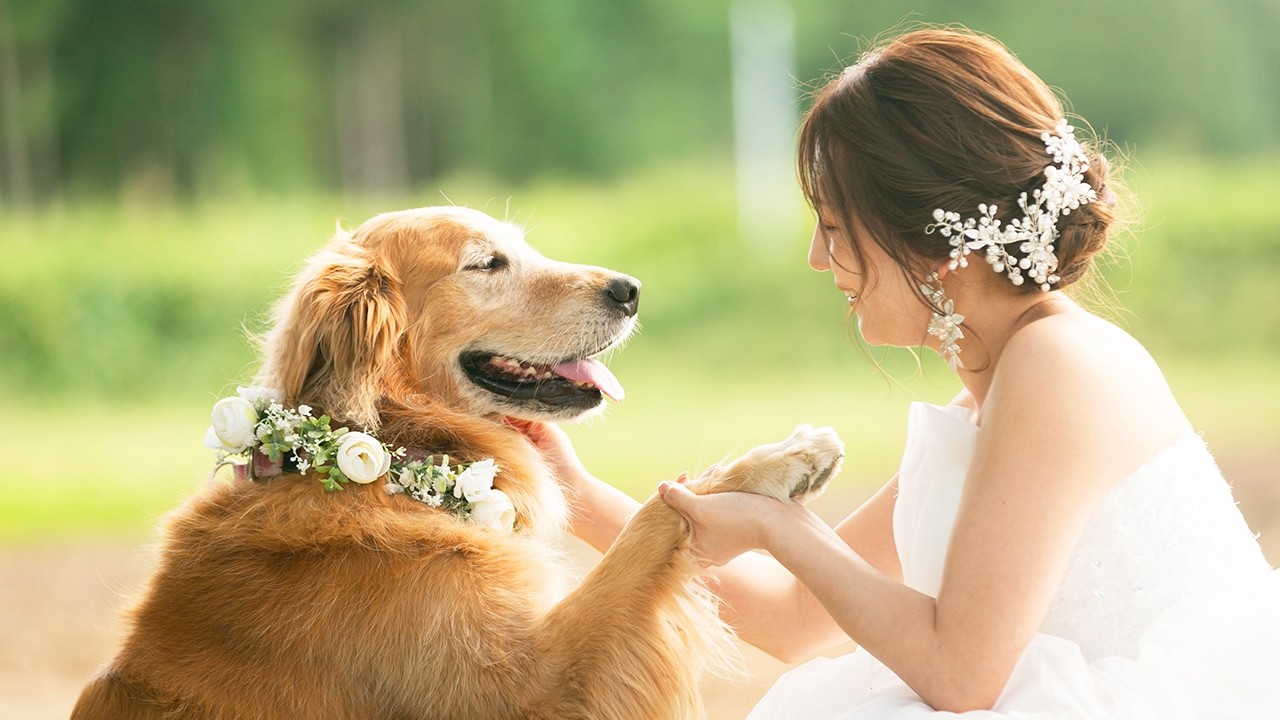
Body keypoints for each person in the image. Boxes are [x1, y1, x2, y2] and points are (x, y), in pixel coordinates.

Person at [515, 27, 1280, 719]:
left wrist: (779, 525)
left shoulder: (1057, 365)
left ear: (932, 238)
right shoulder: (1001, 387)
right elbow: (789, 619)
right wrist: (573, 492)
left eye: (836, 227)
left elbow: (961, 675)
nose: (820, 259)